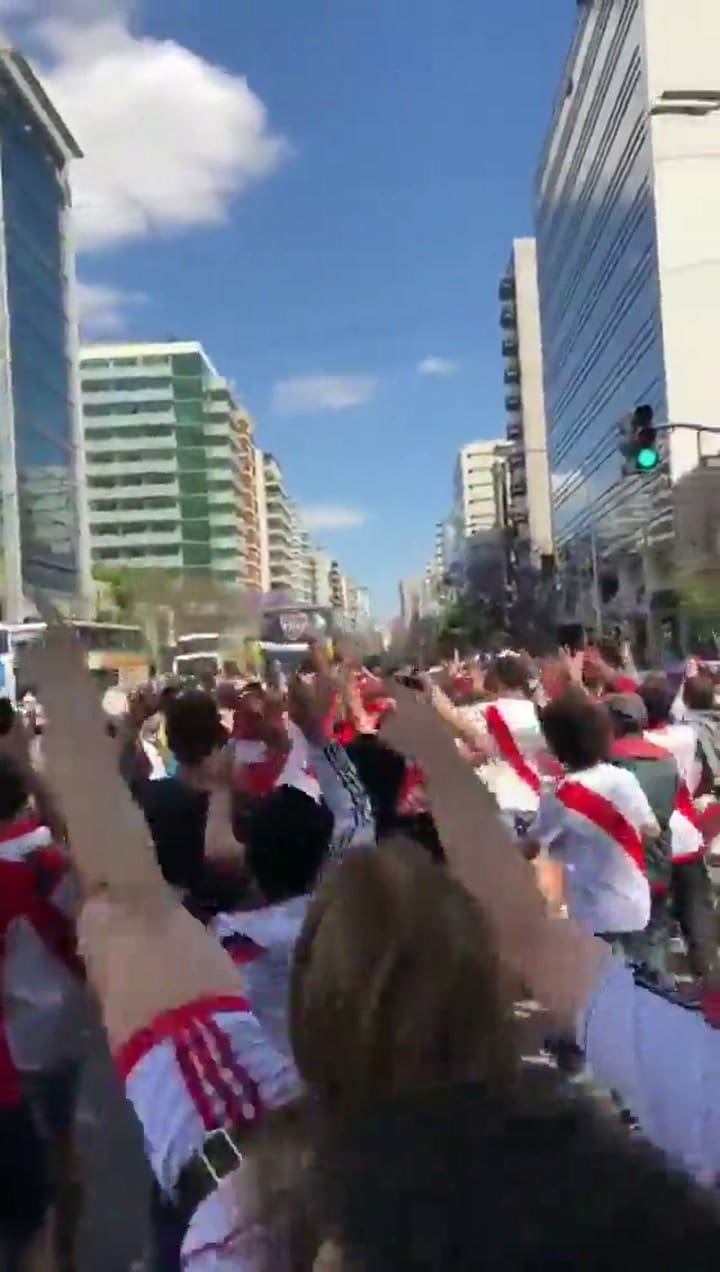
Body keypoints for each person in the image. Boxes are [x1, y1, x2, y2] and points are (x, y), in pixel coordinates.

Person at [0, 753, 85, 1271]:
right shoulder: (46, 862)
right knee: (60, 1153)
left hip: (13, 1043)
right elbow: (82, 926)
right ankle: (63, 1255)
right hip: (52, 1034)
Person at [531, 692, 655, 952]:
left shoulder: (559, 795)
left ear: (554, 743)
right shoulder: (624, 778)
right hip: (635, 904)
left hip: (593, 913)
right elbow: (650, 829)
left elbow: (533, 844)